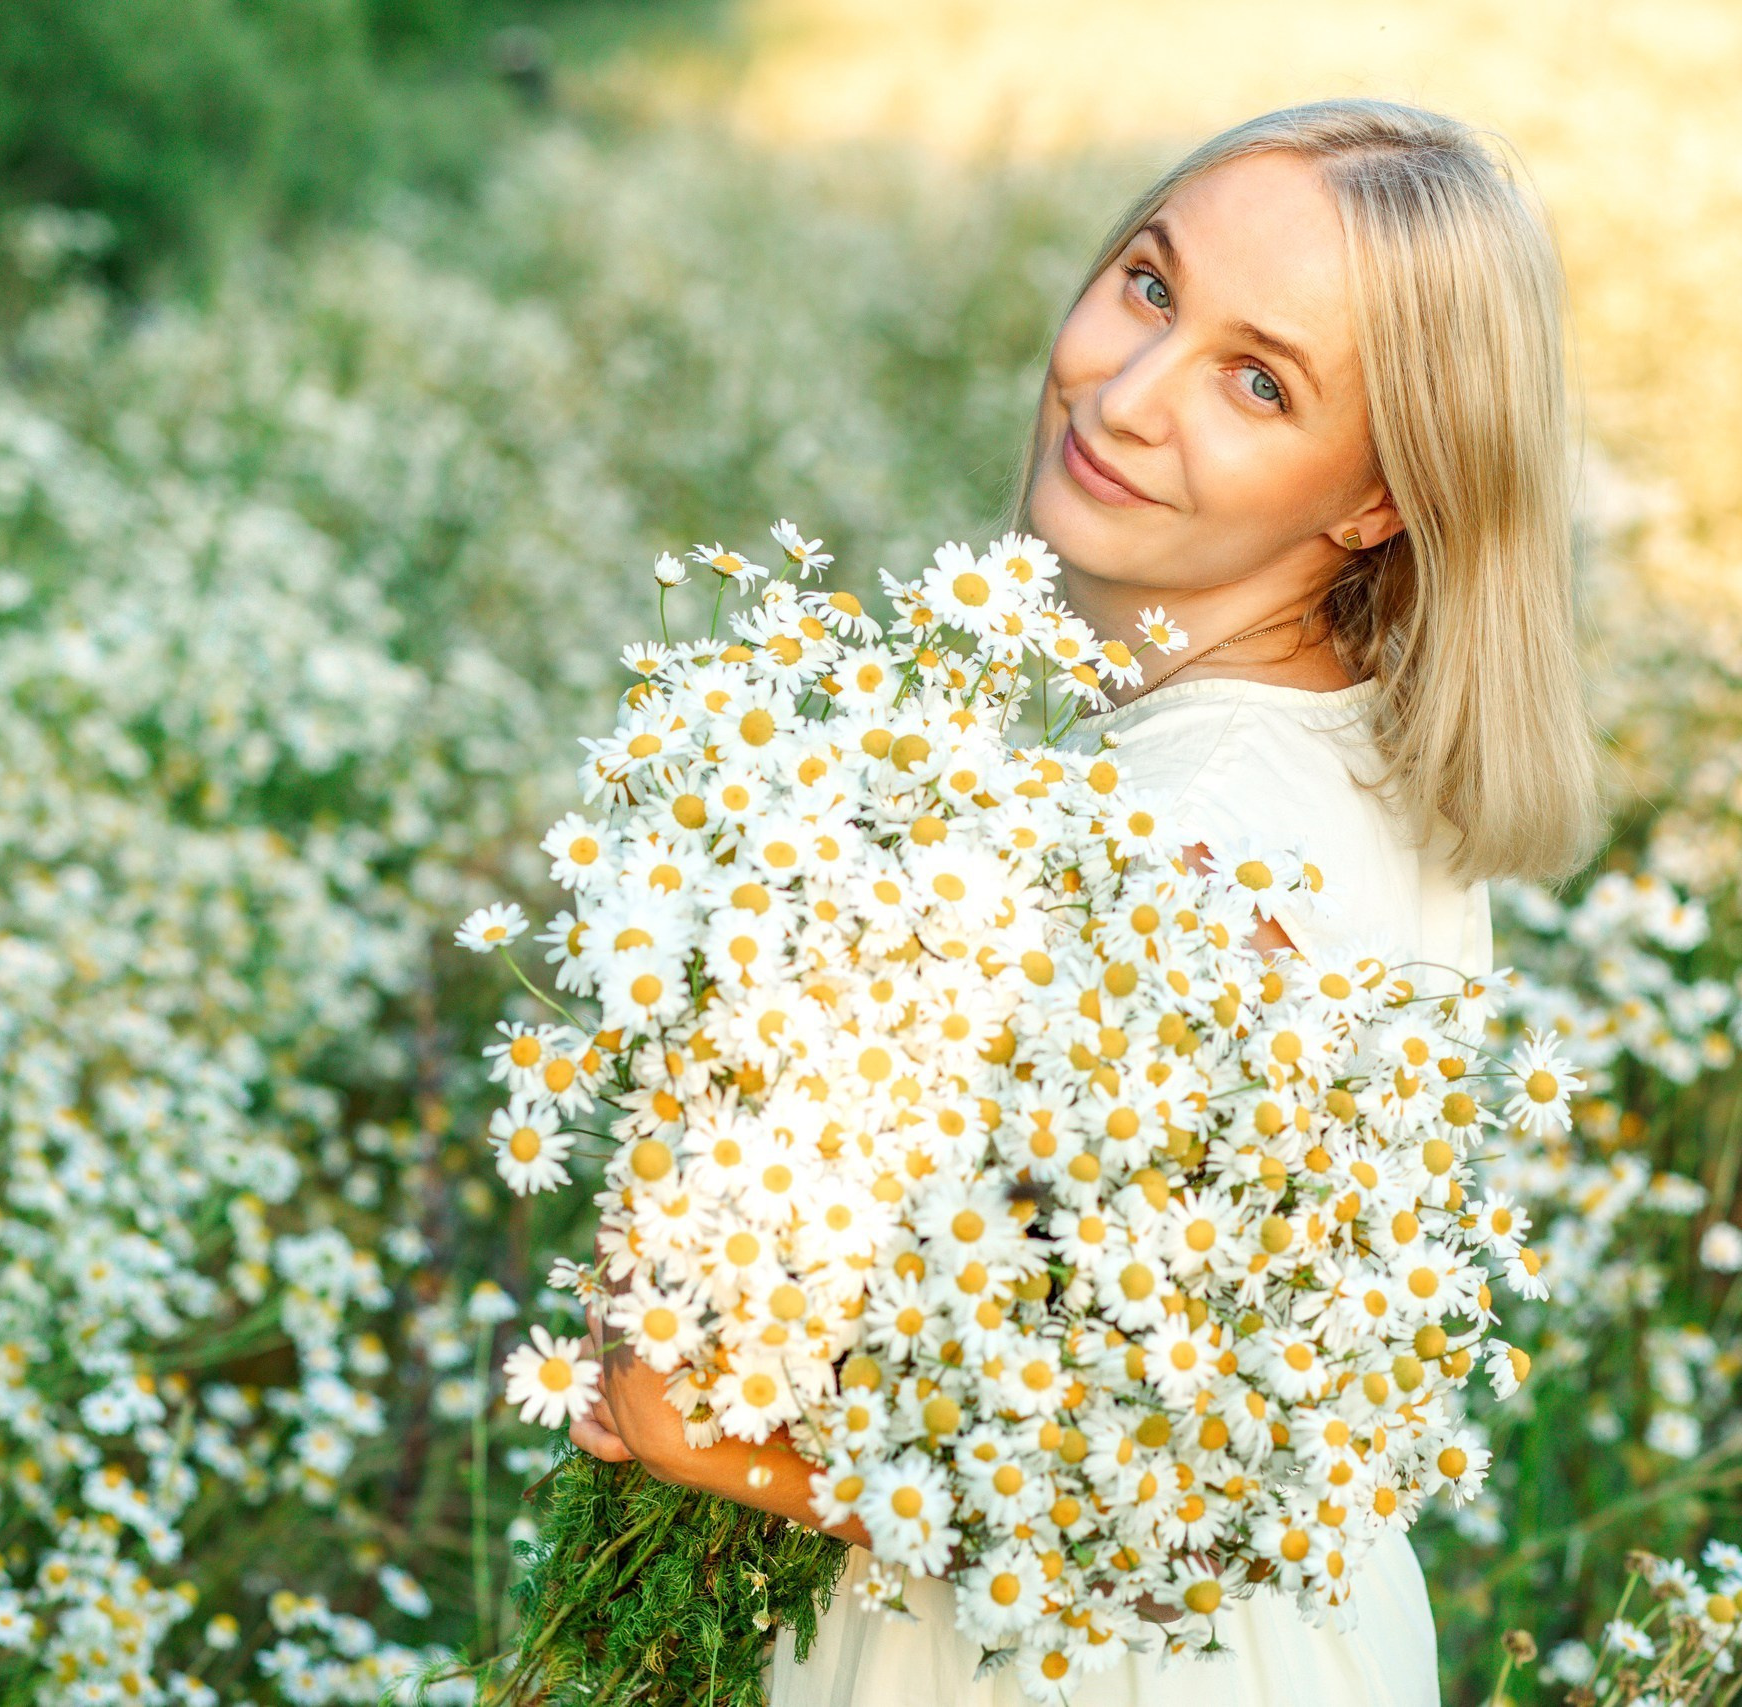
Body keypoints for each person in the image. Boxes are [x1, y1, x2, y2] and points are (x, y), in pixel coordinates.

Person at [568, 97, 1604, 1705]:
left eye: (1259, 382)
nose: (1122, 397)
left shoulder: (1173, 841)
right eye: (1148, 285)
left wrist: (687, 1404)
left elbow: (1141, 1511)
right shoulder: (1348, 755)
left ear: (1376, 502)